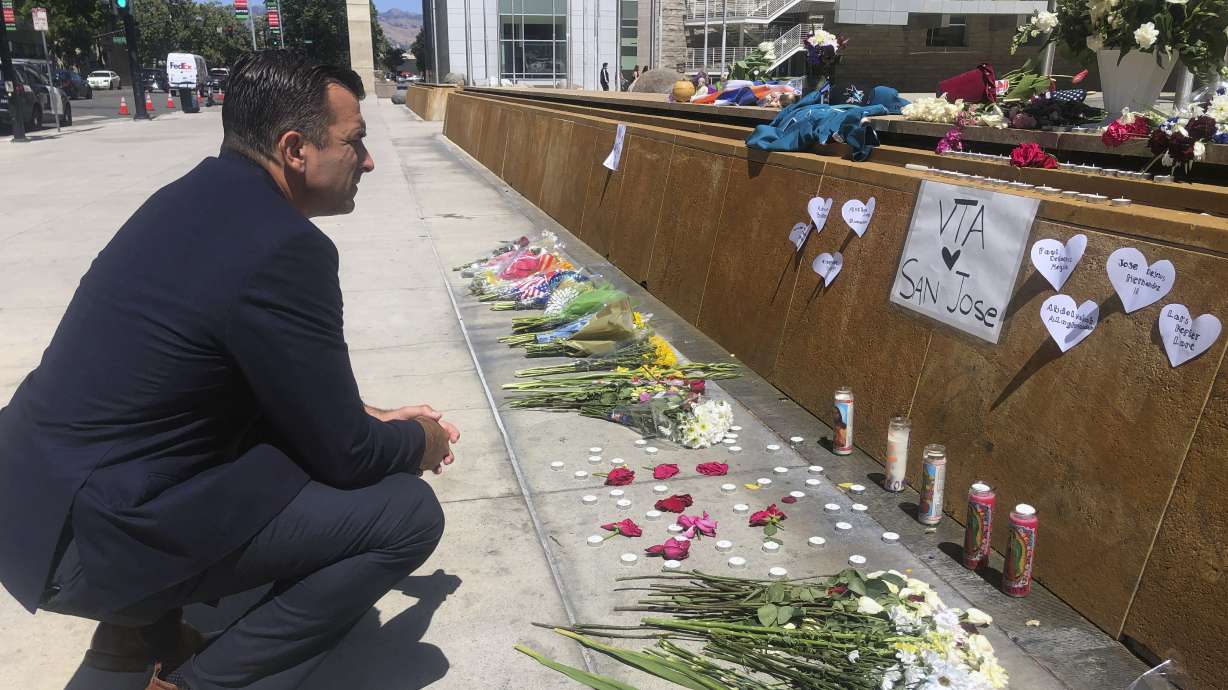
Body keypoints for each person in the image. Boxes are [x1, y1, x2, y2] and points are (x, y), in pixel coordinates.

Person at [0, 50, 459, 690]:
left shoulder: (190, 198)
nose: (369, 161)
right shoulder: (285, 247)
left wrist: (370, 416)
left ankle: (140, 634)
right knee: (404, 513)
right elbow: (348, 457)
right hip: (89, 539)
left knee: (268, 461)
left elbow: (248, 383)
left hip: (30, 500)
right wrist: (420, 440)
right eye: (355, 143)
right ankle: (198, 682)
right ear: (296, 149)